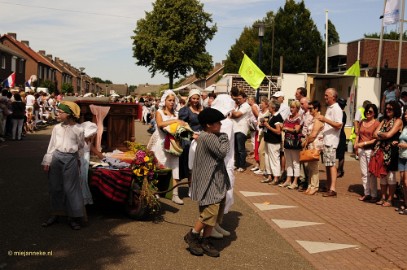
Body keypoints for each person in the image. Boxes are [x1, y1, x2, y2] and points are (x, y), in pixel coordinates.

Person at [184, 107, 230, 257]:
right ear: (209, 125)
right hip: (209, 181)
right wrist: (224, 138)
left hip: (215, 180)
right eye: (217, 122)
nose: (221, 125)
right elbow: (223, 152)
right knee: (209, 213)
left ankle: (206, 239)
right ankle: (192, 235)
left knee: (213, 213)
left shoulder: (208, 135)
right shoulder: (209, 137)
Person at [41, 101, 85, 230]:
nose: (58, 114)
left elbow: (81, 146)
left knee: (70, 188)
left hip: (70, 158)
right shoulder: (57, 128)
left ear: (69, 114)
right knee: (55, 187)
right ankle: (55, 214)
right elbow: (52, 145)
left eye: (61, 112)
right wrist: (48, 160)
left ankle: (73, 217)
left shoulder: (78, 129)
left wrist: (79, 160)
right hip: (57, 157)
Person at [148, 90, 186, 205]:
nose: (172, 102)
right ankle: (155, 190)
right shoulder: (159, 112)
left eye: (173, 100)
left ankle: (175, 194)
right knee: (159, 167)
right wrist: (175, 121)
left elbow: (179, 128)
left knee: (175, 167)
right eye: (169, 100)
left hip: (174, 143)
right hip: (161, 143)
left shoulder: (176, 113)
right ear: (164, 101)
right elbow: (160, 124)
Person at [371, 101, 402, 207]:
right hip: (381, 150)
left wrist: (380, 134)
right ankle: (383, 197)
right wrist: (382, 135)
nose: (388, 110)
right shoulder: (383, 120)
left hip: (392, 151)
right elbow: (374, 134)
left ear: (395, 110)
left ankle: (390, 199)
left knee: (391, 176)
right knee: (383, 175)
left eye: (390, 109)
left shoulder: (398, 121)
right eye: (387, 109)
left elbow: (389, 134)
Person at [316, 88, 343, 197]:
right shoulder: (330, 108)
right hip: (327, 140)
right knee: (327, 164)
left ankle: (333, 188)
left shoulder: (336, 109)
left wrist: (325, 120)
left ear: (333, 97)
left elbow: (338, 125)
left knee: (331, 164)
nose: (325, 97)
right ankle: (328, 186)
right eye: (325, 95)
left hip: (332, 141)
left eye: (327, 95)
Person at [354, 104, 380, 202]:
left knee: (371, 172)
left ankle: (374, 194)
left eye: (370, 111)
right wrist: (356, 144)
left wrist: (363, 143)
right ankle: (366, 193)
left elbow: (375, 139)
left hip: (370, 150)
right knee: (364, 173)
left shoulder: (376, 123)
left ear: (374, 113)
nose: (368, 113)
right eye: (367, 111)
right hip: (361, 149)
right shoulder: (362, 122)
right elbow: (358, 134)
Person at [178, 89, 203, 182]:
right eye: (194, 98)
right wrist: (192, 136)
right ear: (190, 99)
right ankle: (190, 187)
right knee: (189, 164)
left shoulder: (201, 109)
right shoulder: (185, 110)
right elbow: (180, 129)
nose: (195, 100)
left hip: (200, 139)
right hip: (188, 140)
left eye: (197, 98)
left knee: (199, 164)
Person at [278, 100, 303, 189]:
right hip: (287, 141)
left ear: (297, 108)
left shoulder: (299, 118)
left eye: (293, 107)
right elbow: (284, 125)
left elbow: (296, 129)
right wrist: (282, 126)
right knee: (288, 162)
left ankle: (295, 181)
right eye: (290, 107)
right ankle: (288, 180)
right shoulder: (288, 117)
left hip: (295, 142)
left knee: (295, 162)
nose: (291, 109)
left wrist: (286, 128)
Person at [302, 100, 324, 195]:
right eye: (309, 108)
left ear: (316, 108)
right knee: (310, 167)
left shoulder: (318, 119)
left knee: (314, 167)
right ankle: (310, 185)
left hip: (315, 145)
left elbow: (314, 134)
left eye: (311, 108)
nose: (309, 110)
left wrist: (305, 142)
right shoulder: (312, 118)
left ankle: (315, 186)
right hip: (310, 145)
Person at [261, 100, 283, 184]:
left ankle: (276, 177)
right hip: (268, 140)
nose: (268, 108)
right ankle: (270, 175)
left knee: (274, 159)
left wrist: (268, 126)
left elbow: (278, 131)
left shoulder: (277, 117)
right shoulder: (271, 115)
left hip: (274, 142)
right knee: (267, 158)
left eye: (269, 106)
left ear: (273, 108)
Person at [230, 87, 251, 172]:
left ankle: (242, 165)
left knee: (241, 148)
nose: (238, 100)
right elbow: (231, 114)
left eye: (239, 98)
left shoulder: (246, 106)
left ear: (244, 98)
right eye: (237, 98)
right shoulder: (238, 106)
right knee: (235, 148)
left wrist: (231, 110)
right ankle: (236, 164)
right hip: (235, 128)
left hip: (241, 129)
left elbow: (237, 115)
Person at [253, 97, 270, 176]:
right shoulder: (260, 112)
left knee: (261, 150)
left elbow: (265, 122)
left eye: (262, 103)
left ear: (266, 104)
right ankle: (261, 167)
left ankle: (262, 168)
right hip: (260, 132)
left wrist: (261, 123)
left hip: (265, 132)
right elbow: (259, 121)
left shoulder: (268, 113)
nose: (260, 105)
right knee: (259, 150)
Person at [397, 108, 407, 214]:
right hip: (401, 157)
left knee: (406, 182)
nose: (406, 115)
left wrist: (405, 145)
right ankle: (405, 203)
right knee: (403, 182)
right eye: (405, 114)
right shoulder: (404, 127)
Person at [247, 96, 260, 170]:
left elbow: (258, 116)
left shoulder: (253, 107)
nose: (248, 101)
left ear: (252, 100)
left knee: (254, 144)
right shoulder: (254, 106)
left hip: (254, 127)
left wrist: (254, 123)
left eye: (249, 100)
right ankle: (257, 162)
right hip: (254, 127)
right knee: (254, 144)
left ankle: (257, 163)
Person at [336, 98, 348, 178]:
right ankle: (339, 170)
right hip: (340, 134)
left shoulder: (342, 114)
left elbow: (340, 126)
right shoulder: (342, 113)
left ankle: (340, 170)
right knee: (340, 154)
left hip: (340, 135)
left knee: (340, 155)